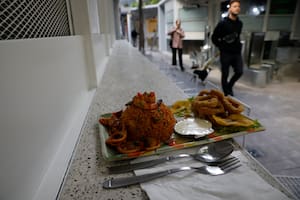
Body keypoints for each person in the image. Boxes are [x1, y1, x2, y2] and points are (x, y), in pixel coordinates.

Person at [212, 0, 243, 96]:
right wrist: (221, 47)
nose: (237, 8)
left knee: (239, 71)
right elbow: (214, 38)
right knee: (225, 74)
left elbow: (237, 36)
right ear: (230, 9)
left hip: (236, 53)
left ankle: (230, 86)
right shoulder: (222, 23)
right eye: (234, 6)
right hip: (226, 53)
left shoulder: (240, 23)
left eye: (238, 6)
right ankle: (226, 94)